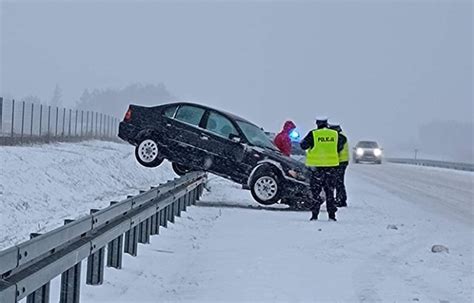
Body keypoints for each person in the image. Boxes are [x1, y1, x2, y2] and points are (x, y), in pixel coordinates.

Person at [300, 117, 346, 221]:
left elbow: (303, 145)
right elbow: (341, 144)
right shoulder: (334, 134)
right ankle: (332, 216)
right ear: (327, 123)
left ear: (317, 123)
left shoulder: (313, 134)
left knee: (316, 192)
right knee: (330, 192)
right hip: (331, 168)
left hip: (317, 169)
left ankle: (315, 215)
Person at [330, 123, 349, 207]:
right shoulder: (341, 136)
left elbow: (337, 148)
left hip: (340, 162)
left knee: (338, 182)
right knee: (338, 181)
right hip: (341, 162)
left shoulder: (340, 137)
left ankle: (341, 200)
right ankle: (340, 199)